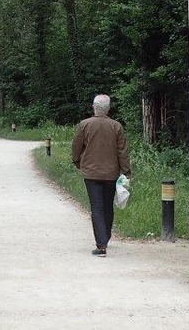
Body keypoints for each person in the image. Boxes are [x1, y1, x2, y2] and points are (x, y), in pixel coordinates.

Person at [71, 94, 132, 257]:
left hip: (91, 173)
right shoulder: (116, 126)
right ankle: (106, 237)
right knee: (107, 207)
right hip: (111, 174)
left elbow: (76, 146)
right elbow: (122, 151)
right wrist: (126, 171)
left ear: (94, 107)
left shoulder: (84, 125)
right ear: (108, 109)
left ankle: (101, 245)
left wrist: (77, 162)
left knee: (96, 207)